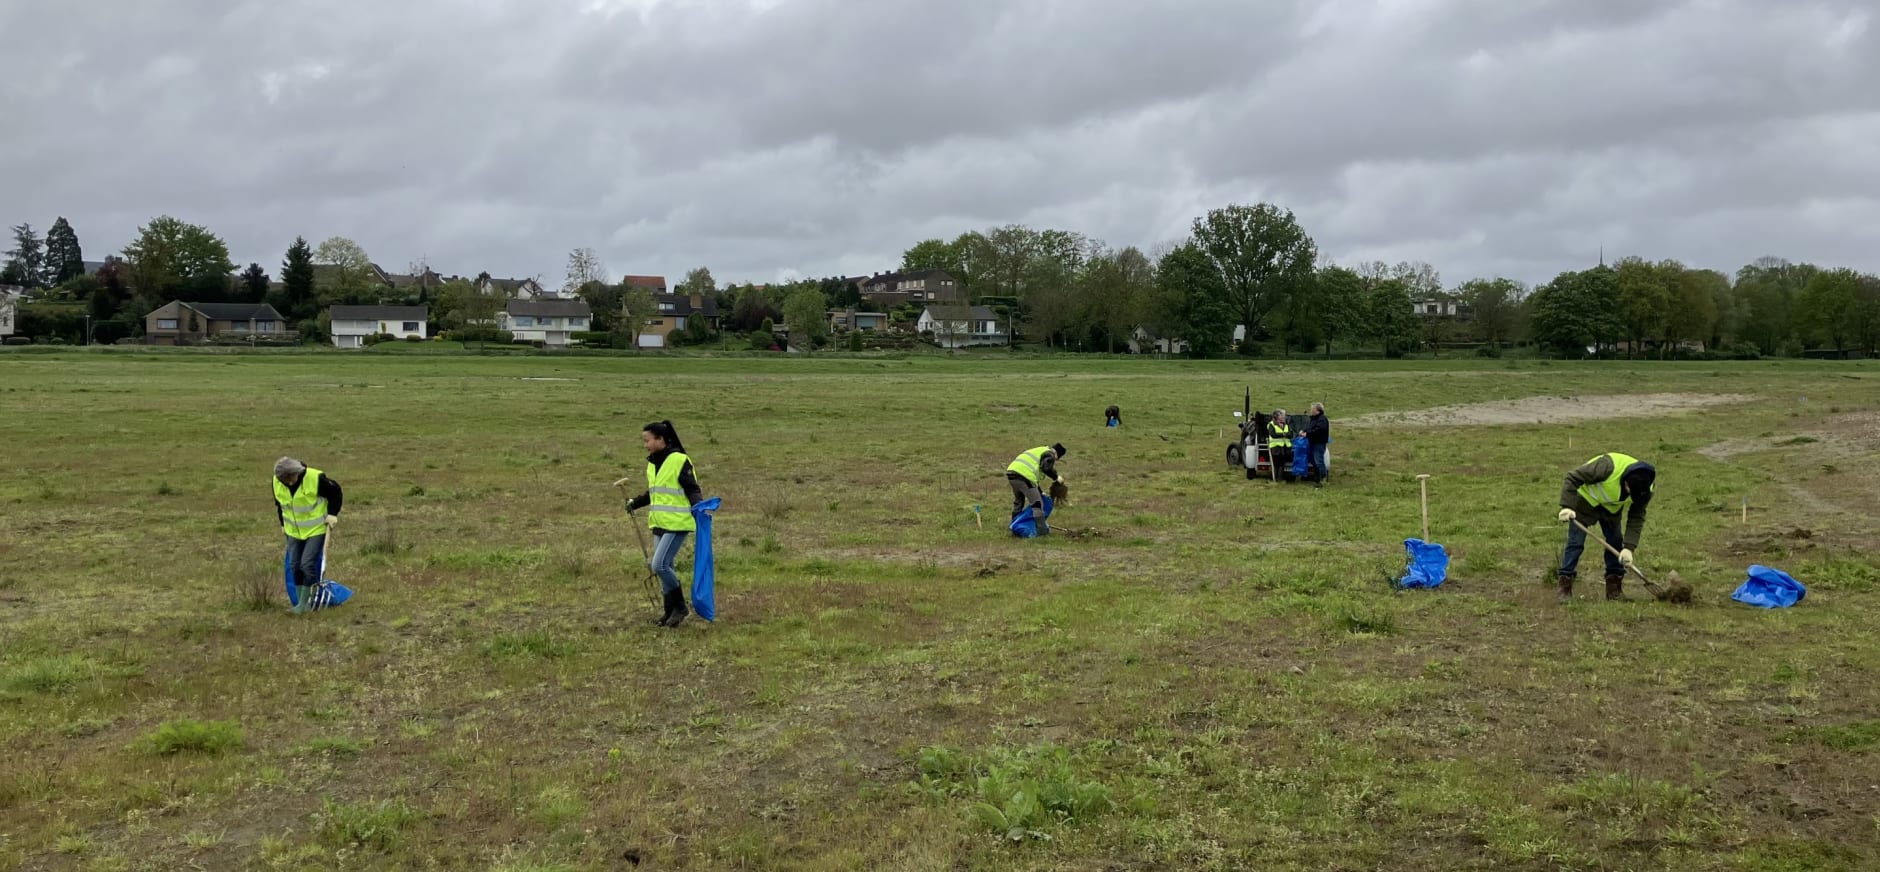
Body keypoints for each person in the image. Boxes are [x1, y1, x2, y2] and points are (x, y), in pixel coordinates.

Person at [622, 421, 704, 627]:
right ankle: (670, 613)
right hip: (659, 522)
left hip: (678, 523)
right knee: (665, 566)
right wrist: (635, 503)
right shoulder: (652, 463)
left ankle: (681, 607)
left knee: (659, 565)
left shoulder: (679, 460)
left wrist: (699, 508)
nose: (645, 444)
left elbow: (692, 488)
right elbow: (655, 492)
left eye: (647, 440)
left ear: (660, 439)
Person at [1556, 452, 1655, 602]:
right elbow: (1572, 477)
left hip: (1611, 510)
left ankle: (1614, 590)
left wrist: (1629, 548)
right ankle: (1564, 587)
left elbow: (1637, 516)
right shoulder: (1606, 467)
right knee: (1575, 543)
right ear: (1626, 482)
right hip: (1585, 502)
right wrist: (1566, 506)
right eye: (1629, 491)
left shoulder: (1645, 488)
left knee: (1615, 542)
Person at [273, 457, 342, 615]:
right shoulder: (276, 482)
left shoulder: (315, 478)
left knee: (306, 564)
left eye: (291, 478)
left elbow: (336, 492)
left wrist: (332, 514)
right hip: (293, 531)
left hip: (315, 529)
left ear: (297, 472)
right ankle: (299, 603)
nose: (289, 482)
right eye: (285, 480)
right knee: (294, 565)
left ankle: (305, 604)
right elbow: (279, 504)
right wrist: (283, 524)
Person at [1006, 443, 1066, 532]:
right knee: (1037, 504)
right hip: (1024, 477)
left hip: (1012, 474)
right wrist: (1056, 477)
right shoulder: (1050, 454)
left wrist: (1040, 492)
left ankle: (1013, 526)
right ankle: (1041, 531)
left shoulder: (1040, 450)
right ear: (1057, 454)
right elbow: (1046, 468)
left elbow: (1034, 479)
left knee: (1019, 502)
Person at [1303, 402, 1331, 487]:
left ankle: (1322, 479)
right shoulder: (1314, 419)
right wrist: (1304, 431)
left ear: (1318, 410)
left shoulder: (1322, 419)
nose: (1311, 410)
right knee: (1313, 460)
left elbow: (1318, 430)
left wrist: (1307, 434)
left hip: (1319, 443)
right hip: (1312, 442)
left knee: (1318, 461)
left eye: (1312, 409)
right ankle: (1316, 477)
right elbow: (1311, 428)